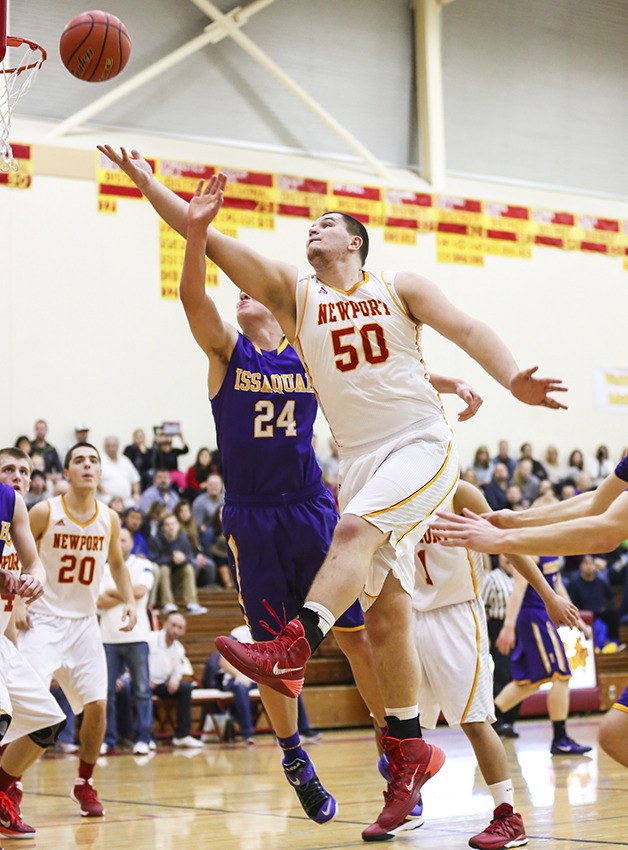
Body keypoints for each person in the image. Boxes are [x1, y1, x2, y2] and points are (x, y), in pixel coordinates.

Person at [96, 148, 563, 838]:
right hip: (359, 463)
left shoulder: (401, 285)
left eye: (323, 224)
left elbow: (466, 329)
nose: (310, 232)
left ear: (355, 241)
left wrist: (509, 377)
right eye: (307, 226)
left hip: (419, 443)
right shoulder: (293, 296)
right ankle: (406, 755)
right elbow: (210, 239)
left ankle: (294, 644)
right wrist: (149, 187)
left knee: (350, 538)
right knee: (383, 617)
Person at [395, 480, 576, 847]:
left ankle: (508, 817)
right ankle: (406, 805)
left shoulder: (461, 493)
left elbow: (512, 548)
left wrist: (551, 596)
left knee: (474, 721)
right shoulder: (394, 490)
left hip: (459, 612)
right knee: (396, 719)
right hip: (412, 613)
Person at [432, 454, 628, 767]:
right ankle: (502, 725)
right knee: (610, 728)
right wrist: (513, 522)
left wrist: (505, 536)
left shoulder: (550, 545)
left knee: (541, 680)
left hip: (543, 611)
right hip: (532, 614)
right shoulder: (539, 543)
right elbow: (599, 502)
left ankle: (504, 724)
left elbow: (604, 528)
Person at [14, 442, 137, 817]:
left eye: (93, 460)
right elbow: (19, 556)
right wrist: (17, 601)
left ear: (101, 473)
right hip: (42, 621)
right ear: (65, 473)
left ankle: (84, 783)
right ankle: (12, 783)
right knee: (30, 708)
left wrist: (129, 600)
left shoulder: (109, 519)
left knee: (98, 707)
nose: (87, 465)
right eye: (79, 460)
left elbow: (117, 565)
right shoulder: (44, 511)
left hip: (85, 624)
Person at [0, 448, 67, 839]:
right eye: (7, 469)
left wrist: (35, 579)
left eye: (23, 470)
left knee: (47, 722)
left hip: (3, 641)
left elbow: (34, 563)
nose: (16, 476)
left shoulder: (14, 507)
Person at [492, 554, 592, 756]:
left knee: (529, 681)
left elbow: (558, 586)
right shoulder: (530, 550)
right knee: (560, 674)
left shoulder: (550, 548)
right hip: (534, 617)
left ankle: (488, 721)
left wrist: (577, 618)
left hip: (542, 617)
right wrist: (508, 626)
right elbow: (518, 590)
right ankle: (560, 738)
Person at [97, 526, 155, 755]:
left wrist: (113, 592)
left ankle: (144, 738)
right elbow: (99, 601)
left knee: (142, 690)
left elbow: (140, 591)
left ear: (132, 542)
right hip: (108, 638)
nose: (119, 543)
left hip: (138, 636)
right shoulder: (101, 568)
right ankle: (108, 739)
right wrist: (125, 594)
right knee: (106, 692)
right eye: (116, 540)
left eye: (123, 539)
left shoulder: (143, 565)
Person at [148, 612, 202, 748]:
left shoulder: (179, 649)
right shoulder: (150, 639)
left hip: (161, 685)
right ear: (165, 624)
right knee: (141, 690)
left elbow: (177, 670)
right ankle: (145, 737)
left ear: (183, 631)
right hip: (143, 682)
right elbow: (136, 662)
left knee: (185, 689)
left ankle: (182, 736)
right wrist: (144, 677)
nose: (175, 630)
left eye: (180, 627)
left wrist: (175, 679)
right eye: (173, 625)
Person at [481, 555, 520, 738]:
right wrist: (486, 636)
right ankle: (498, 721)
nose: (508, 558)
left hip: (521, 628)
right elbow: (482, 607)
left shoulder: (522, 577)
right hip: (499, 629)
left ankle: (510, 722)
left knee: (520, 677)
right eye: (504, 554)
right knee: (504, 675)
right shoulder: (492, 578)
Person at [149, 514, 207, 615]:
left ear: (178, 526)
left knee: (188, 568)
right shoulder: (156, 540)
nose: (170, 527)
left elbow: (191, 558)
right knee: (164, 568)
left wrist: (183, 558)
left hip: (176, 580)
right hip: (160, 583)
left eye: (173, 524)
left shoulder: (183, 540)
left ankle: (192, 604)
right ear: (163, 527)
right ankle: (167, 604)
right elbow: (153, 561)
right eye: (167, 525)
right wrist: (172, 559)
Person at [99, 436, 141, 507]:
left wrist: (136, 493)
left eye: (113, 446)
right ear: (104, 447)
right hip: (107, 499)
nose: (111, 448)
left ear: (118, 447)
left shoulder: (125, 460)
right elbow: (95, 481)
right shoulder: (98, 459)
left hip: (127, 500)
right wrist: (105, 492)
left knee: (137, 508)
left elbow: (135, 479)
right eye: (108, 446)